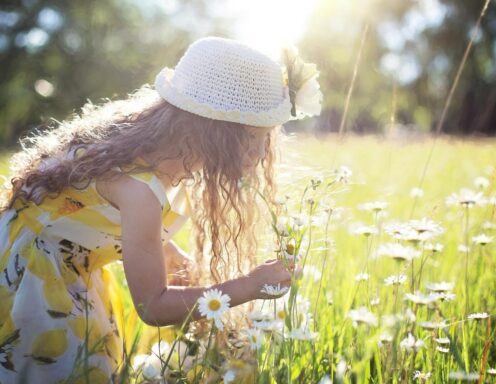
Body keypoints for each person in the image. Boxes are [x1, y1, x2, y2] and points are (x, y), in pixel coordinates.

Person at [0, 36, 321, 383]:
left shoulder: (148, 149)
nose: (260, 155)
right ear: (213, 131)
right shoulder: (140, 190)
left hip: (60, 259)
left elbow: (81, 209)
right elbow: (152, 306)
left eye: (266, 139)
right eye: (251, 138)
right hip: (33, 277)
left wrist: (165, 249)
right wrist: (250, 285)